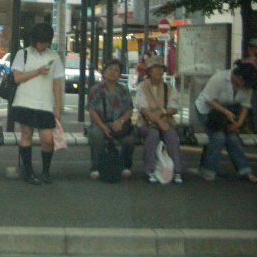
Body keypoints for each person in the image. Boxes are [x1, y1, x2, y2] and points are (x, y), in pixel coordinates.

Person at [10, 24, 64, 185]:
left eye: (46, 42)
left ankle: (46, 172)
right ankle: (28, 172)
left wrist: (58, 107)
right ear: (33, 40)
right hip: (24, 100)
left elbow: (57, 85)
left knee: (48, 139)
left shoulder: (54, 57)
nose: (43, 45)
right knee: (26, 135)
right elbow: (17, 78)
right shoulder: (23, 54)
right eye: (40, 42)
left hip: (45, 104)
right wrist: (38, 71)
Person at [195, 60, 257, 182]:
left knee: (233, 138)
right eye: (242, 82)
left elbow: (245, 105)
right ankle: (208, 169)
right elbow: (208, 99)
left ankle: (244, 170)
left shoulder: (247, 86)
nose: (244, 86)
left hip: (228, 111)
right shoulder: (219, 78)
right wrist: (225, 112)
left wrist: (238, 123)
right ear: (237, 76)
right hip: (208, 110)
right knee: (218, 137)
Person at [135, 55, 184, 184]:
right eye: (154, 68)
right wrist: (158, 121)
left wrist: (163, 114)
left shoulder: (169, 87)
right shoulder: (142, 86)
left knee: (172, 136)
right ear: (149, 71)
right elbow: (143, 108)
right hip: (146, 122)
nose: (158, 71)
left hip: (165, 121)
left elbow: (174, 107)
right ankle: (149, 170)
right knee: (153, 134)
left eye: (160, 68)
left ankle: (177, 171)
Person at [87, 59, 136, 180]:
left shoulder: (124, 90)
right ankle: (95, 167)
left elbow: (129, 110)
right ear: (104, 72)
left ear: (120, 75)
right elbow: (91, 110)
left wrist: (120, 121)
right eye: (110, 69)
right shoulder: (96, 89)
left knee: (130, 139)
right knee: (96, 135)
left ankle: (125, 166)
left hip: (119, 125)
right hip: (100, 124)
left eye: (116, 71)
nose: (113, 73)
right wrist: (103, 126)